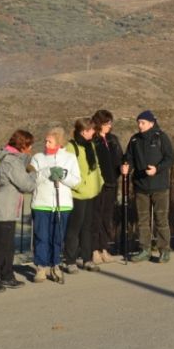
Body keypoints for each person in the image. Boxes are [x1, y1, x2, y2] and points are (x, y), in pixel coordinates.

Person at [0, 129, 37, 293]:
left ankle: (6, 275)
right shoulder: (11, 161)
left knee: (8, 244)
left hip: (6, 206)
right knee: (1, 244)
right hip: (4, 207)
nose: (31, 149)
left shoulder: (4, 156)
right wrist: (34, 173)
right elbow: (26, 185)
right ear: (23, 145)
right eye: (29, 146)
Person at [123, 110, 174, 263]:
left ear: (151, 123)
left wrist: (157, 169)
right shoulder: (134, 140)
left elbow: (170, 158)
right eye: (138, 122)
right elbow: (129, 158)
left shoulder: (161, 137)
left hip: (159, 186)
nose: (140, 125)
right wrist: (126, 166)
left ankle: (164, 250)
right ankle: (144, 249)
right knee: (142, 220)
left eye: (143, 122)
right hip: (140, 186)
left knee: (161, 220)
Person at [30, 127, 81, 283]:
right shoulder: (37, 158)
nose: (46, 144)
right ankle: (41, 267)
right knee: (41, 237)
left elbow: (76, 181)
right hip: (41, 203)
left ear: (59, 143)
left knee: (57, 237)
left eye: (50, 141)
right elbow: (31, 179)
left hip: (62, 204)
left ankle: (55, 264)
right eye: (45, 141)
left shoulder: (70, 158)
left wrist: (63, 175)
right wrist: (46, 172)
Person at [63, 117, 104, 274]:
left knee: (88, 227)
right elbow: (67, 171)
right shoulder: (71, 147)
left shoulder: (90, 145)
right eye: (91, 129)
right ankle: (70, 261)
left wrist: (100, 181)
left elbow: (96, 166)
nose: (94, 132)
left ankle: (87, 259)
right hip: (78, 194)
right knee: (74, 228)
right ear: (83, 131)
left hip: (92, 193)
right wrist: (79, 186)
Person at [91, 110, 124, 264]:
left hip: (111, 183)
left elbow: (120, 158)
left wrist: (123, 168)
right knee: (95, 217)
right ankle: (94, 250)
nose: (109, 126)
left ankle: (104, 248)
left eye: (110, 123)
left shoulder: (113, 139)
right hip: (97, 184)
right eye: (106, 123)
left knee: (107, 216)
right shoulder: (93, 140)